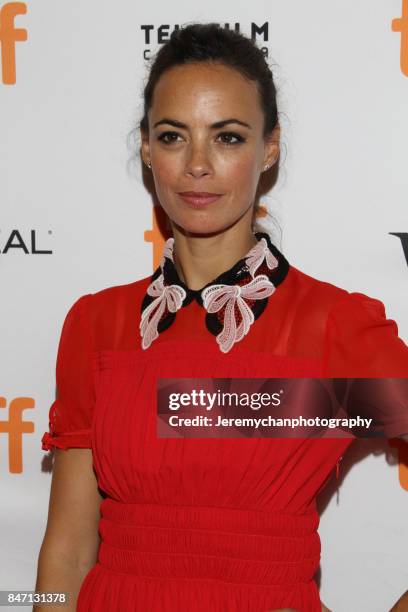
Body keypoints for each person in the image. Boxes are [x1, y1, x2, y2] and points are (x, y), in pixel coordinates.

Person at [34, 23, 408, 612]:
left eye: (229, 137)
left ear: (271, 148)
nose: (198, 166)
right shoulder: (95, 324)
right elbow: (66, 554)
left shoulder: (333, 325)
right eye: (173, 136)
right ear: (148, 148)